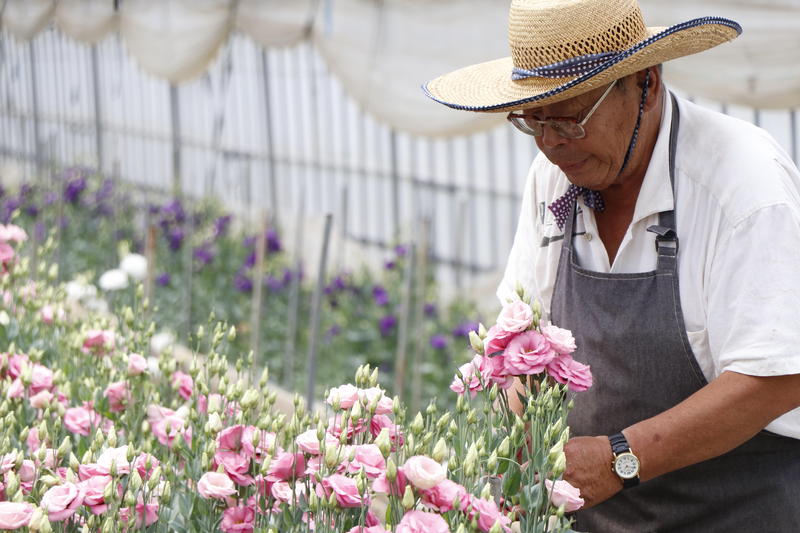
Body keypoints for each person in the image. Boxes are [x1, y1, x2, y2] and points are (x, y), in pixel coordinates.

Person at [424, 0, 800, 531]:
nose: (552, 144)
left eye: (571, 118)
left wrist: (620, 459)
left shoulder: (742, 183)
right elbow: (522, 336)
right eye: (533, 120)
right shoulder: (555, 176)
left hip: (735, 511)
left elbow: (777, 375)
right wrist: (512, 452)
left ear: (645, 84)